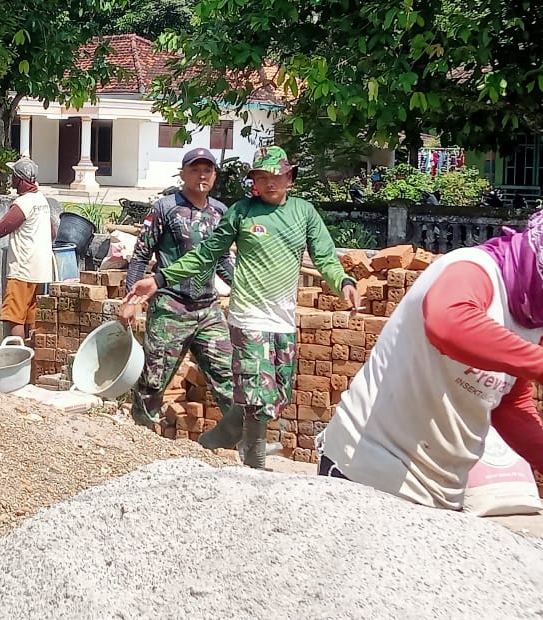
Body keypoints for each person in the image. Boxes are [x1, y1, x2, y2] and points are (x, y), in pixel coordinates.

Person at [125, 146, 359, 469]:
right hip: (214, 313)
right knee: (170, 381)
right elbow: (200, 254)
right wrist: (155, 281)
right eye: (262, 177)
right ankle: (250, 460)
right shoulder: (214, 211)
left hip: (253, 316)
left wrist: (343, 282)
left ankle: (225, 433)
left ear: (289, 178)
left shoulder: (297, 213)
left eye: (276, 176)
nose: (270, 183)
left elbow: (323, 256)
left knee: (264, 391)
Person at [320, 212, 543, 510]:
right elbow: (447, 322)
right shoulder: (473, 269)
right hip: (368, 471)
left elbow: (509, 404)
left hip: (441, 493)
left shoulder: (531, 319)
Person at [118, 147, 235, 429]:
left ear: (215, 175)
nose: (202, 175)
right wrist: (131, 299)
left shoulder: (221, 212)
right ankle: (141, 436)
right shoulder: (166, 208)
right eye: (195, 169)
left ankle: (245, 442)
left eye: (207, 170)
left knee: (228, 375)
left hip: (208, 308)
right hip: (171, 307)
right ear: (183, 174)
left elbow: (221, 261)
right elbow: (142, 255)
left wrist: (244, 287)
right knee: (153, 380)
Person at [0, 158, 54, 339]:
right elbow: (53, 232)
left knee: (15, 317)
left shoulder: (23, 204)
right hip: (41, 270)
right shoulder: (42, 201)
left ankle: (18, 357)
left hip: (22, 269)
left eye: (14, 176)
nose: (11, 179)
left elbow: (0, 229)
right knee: (31, 317)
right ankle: (32, 359)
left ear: (20, 180)